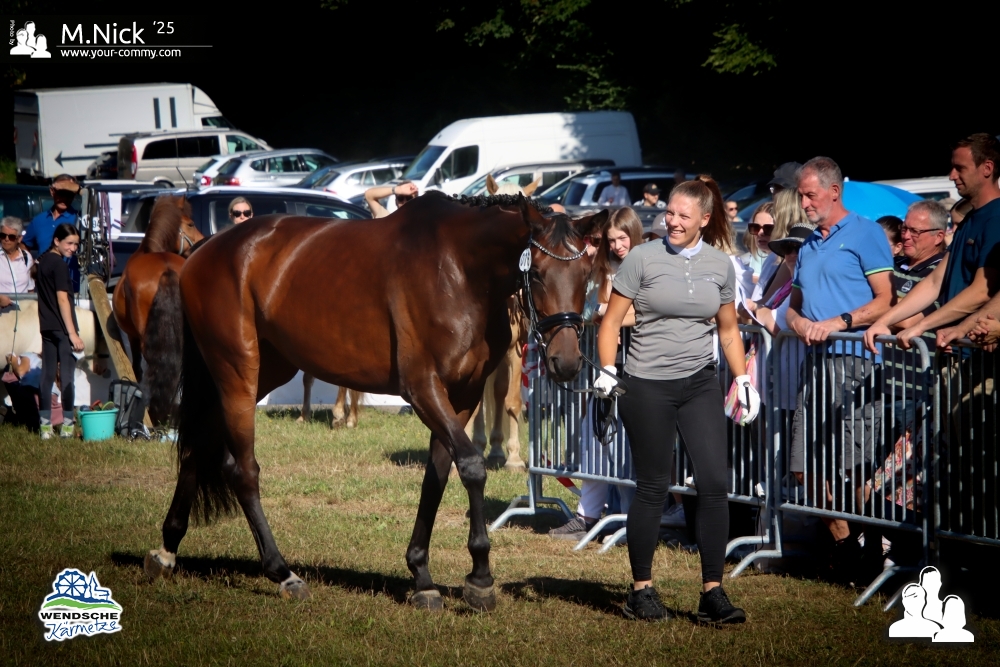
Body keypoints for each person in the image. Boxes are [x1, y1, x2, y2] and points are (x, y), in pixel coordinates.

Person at [593, 179, 760, 624]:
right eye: (669, 212)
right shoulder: (642, 258)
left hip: (700, 383)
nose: (673, 221)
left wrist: (743, 379)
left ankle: (713, 592)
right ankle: (641, 591)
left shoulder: (720, 265)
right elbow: (610, 323)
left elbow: (728, 329)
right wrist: (608, 369)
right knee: (652, 486)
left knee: (714, 482)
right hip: (646, 384)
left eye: (684, 215)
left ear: (705, 219)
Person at [784, 157, 894, 583]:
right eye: (801, 196)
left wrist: (839, 323)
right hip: (815, 365)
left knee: (855, 467)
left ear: (834, 191)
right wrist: (799, 324)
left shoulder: (866, 232)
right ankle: (847, 547)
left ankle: (872, 550)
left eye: (810, 195)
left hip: (856, 364)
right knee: (804, 466)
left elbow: (885, 300)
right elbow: (792, 307)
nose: (804, 203)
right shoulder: (810, 242)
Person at [549, 208, 640, 540]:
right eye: (610, 240)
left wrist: (608, 315)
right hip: (605, 367)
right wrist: (603, 313)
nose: (615, 246)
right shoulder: (603, 268)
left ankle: (630, 520)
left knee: (626, 447)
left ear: (634, 234)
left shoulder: (646, 265)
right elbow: (585, 309)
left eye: (621, 238)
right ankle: (587, 515)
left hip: (639, 366)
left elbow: (648, 312)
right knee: (595, 438)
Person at [863, 133, 1000, 353]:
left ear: (987, 168)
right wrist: (884, 321)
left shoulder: (996, 218)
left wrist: (921, 326)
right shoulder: (970, 220)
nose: (952, 175)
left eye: (960, 168)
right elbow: (935, 281)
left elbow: (982, 290)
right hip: (954, 353)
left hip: (978, 357)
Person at [35, 223, 84, 440]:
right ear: (56, 241)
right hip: (63, 329)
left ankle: (45, 428)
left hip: (47, 327)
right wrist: (72, 333)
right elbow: (62, 299)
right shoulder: (60, 265)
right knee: (67, 378)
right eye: (69, 243)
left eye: (76, 244)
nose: (73, 248)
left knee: (46, 377)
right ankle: (67, 426)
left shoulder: (43, 262)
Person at [888, 201, 948, 331]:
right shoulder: (891, 263)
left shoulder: (943, 271)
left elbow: (905, 321)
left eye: (915, 231)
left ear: (938, 237)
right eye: (904, 228)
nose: (906, 236)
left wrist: (876, 303)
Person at [22, 175, 80, 257]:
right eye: (61, 193)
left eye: (69, 194)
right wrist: (30, 262)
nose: (65, 198)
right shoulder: (39, 220)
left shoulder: (79, 219)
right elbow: (24, 246)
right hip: (43, 265)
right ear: (52, 192)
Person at [0, 216, 34, 312]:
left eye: (11, 237)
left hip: (22, 313)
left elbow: (30, 289)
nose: (6, 239)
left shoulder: (27, 257)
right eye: (3, 235)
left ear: (19, 239)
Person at [741, 203, 775, 282]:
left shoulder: (787, 263)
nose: (760, 233)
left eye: (768, 228)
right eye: (755, 227)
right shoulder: (759, 254)